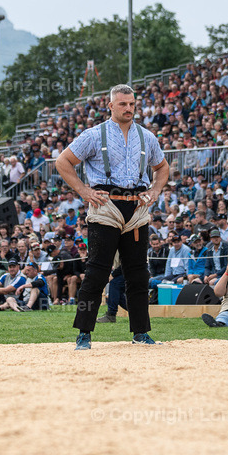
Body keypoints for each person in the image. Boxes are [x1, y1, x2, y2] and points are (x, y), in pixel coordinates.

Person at [54, 84, 169, 350]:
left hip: (137, 208)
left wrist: (155, 190)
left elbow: (162, 167)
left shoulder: (147, 137)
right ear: (111, 106)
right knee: (97, 272)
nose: (128, 108)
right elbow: (63, 162)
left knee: (139, 274)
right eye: (123, 104)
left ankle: (141, 332)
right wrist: (84, 191)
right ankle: (84, 333)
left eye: (131, 104)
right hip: (106, 206)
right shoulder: (93, 135)